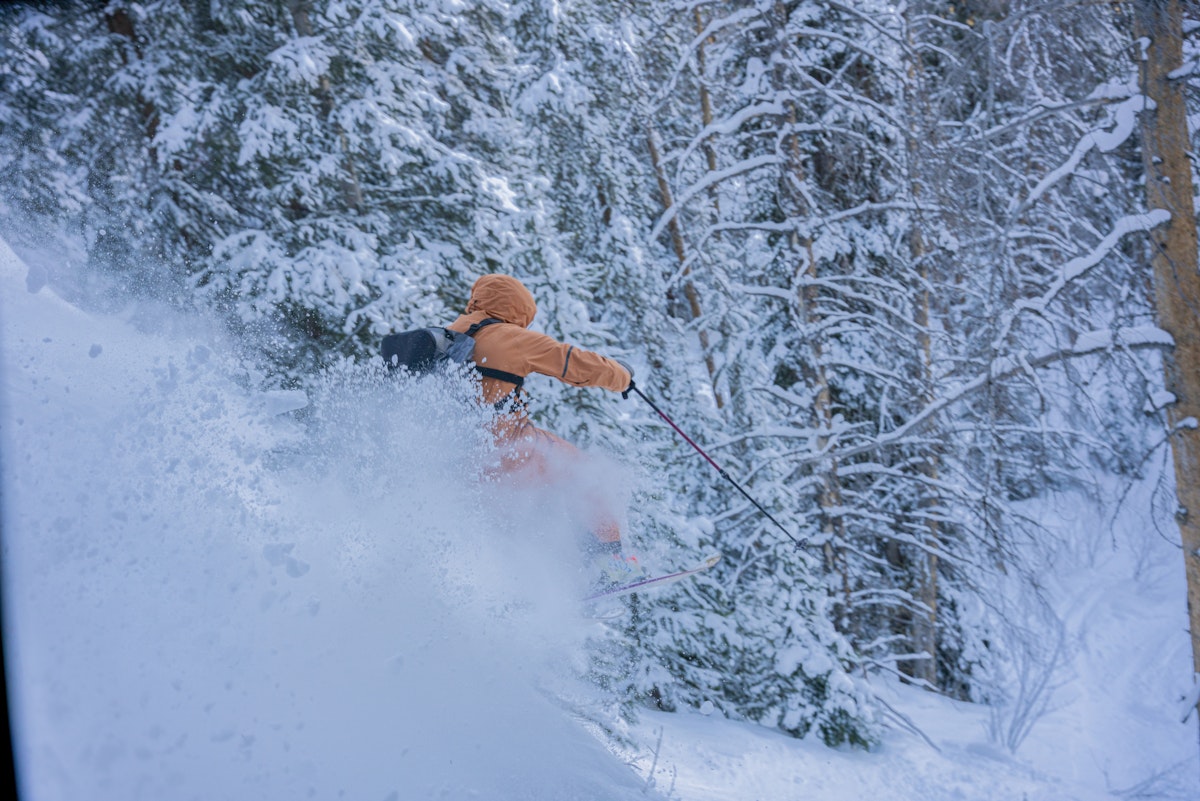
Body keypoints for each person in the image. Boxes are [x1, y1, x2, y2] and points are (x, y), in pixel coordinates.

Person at [445, 273, 642, 586]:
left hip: (457, 459)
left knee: (522, 514)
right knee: (588, 480)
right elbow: (574, 363)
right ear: (518, 308)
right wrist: (622, 375)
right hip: (510, 448)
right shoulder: (509, 336)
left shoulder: (445, 336)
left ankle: (528, 587)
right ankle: (618, 571)